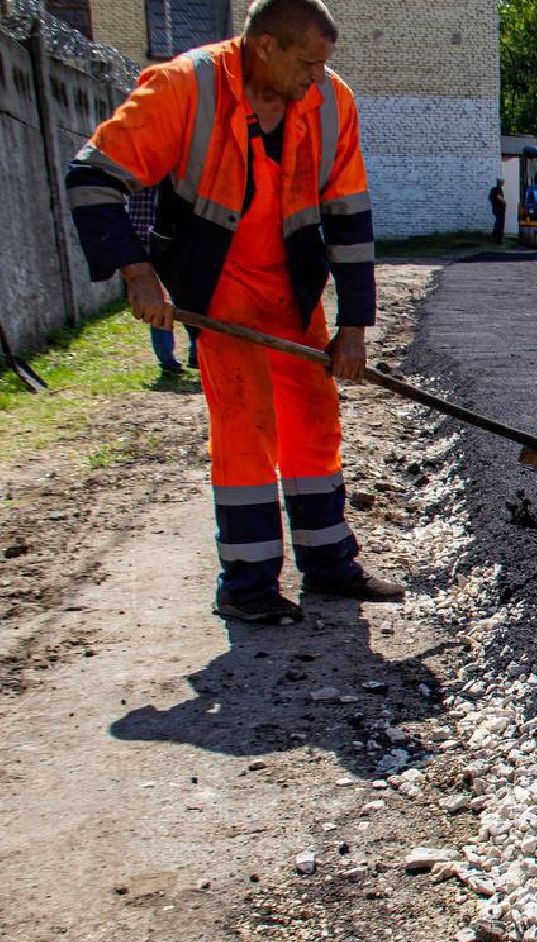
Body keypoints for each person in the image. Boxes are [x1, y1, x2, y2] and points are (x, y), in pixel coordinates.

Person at [65, 0, 404, 624]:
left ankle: (328, 564)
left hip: (292, 288)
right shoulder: (183, 87)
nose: (317, 78)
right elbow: (92, 177)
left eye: (325, 65)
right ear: (265, 45)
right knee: (246, 424)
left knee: (314, 418)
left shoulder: (331, 102)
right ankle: (246, 585)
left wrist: (353, 326)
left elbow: (350, 216)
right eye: (307, 63)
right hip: (219, 288)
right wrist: (139, 275)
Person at [125, 186, 195, 376]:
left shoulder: (136, 172)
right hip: (162, 245)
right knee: (173, 301)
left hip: (148, 246)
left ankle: (175, 359)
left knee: (170, 302)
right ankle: (180, 357)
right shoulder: (166, 173)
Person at [488, 177, 506, 245]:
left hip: (495, 209)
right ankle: (498, 239)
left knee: (497, 223)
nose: (503, 183)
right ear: (500, 183)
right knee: (500, 224)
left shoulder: (493, 189)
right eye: (503, 182)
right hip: (499, 209)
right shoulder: (498, 189)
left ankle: (494, 237)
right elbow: (499, 197)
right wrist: (504, 202)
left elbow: (489, 197)